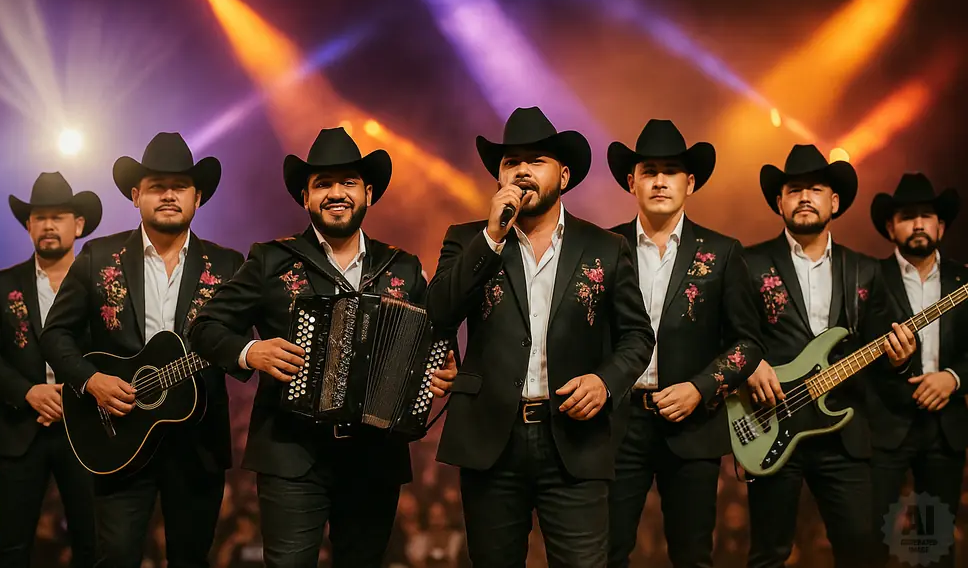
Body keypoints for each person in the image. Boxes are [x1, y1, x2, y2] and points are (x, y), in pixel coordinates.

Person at [188, 126, 457, 568]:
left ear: (368, 193)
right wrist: (250, 352)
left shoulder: (403, 267)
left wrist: (439, 372)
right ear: (306, 198)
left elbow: (432, 343)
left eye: (348, 182)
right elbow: (204, 326)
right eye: (322, 184)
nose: (336, 193)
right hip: (291, 453)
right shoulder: (271, 260)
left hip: (375, 458)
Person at [427, 106, 656, 568]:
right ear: (498, 177)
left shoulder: (606, 247)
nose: (522, 171)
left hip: (575, 439)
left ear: (564, 176)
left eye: (536, 161)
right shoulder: (468, 239)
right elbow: (438, 313)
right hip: (491, 439)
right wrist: (492, 237)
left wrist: (605, 382)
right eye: (512, 162)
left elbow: (637, 337)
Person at [41, 133, 245, 568]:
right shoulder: (99, 256)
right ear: (136, 196)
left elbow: (245, 343)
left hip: (198, 442)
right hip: (117, 436)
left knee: (191, 559)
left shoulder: (229, 265)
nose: (169, 195)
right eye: (157, 186)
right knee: (116, 557)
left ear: (197, 197)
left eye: (180, 186)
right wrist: (90, 380)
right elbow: (54, 334)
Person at [742, 145, 917, 568]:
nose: (805, 197)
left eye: (816, 189)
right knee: (769, 553)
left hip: (845, 431)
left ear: (834, 202)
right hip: (772, 421)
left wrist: (901, 359)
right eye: (794, 189)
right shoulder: (748, 263)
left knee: (861, 552)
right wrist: (749, 363)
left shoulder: (866, 270)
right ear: (779, 202)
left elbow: (886, 352)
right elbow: (732, 335)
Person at [605, 120, 764, 568]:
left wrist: (700, 387)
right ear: (631, 181)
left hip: (694, 425)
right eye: (649, 171)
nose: (660, 181)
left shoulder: (722, 251)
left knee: (693, 556)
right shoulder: (604, 247)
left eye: (671, 171)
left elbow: (748, 343)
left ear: (689, 183)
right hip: (617, 423)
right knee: (606, 553)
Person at [0, 172, 100, 567]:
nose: (48, 225)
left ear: (78, 224)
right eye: (39, 217)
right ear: (28, 225)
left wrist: (75, 392)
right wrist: (28, 392)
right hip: (19, 428)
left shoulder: (103, 282)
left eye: (58, 216)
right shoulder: (2, 284)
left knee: (94, 547)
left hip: (88, 429)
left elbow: (116, 349)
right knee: (11, 549)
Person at [866, 173, 967, 568]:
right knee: (870, 543)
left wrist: (953, 379)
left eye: (927, 215)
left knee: (934, 546)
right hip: (884, 427)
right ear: (891, 227)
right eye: (908, 216)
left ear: (941, 226)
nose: (919, 224)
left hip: (945, 429)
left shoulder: (964, 279)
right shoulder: (868, 277)